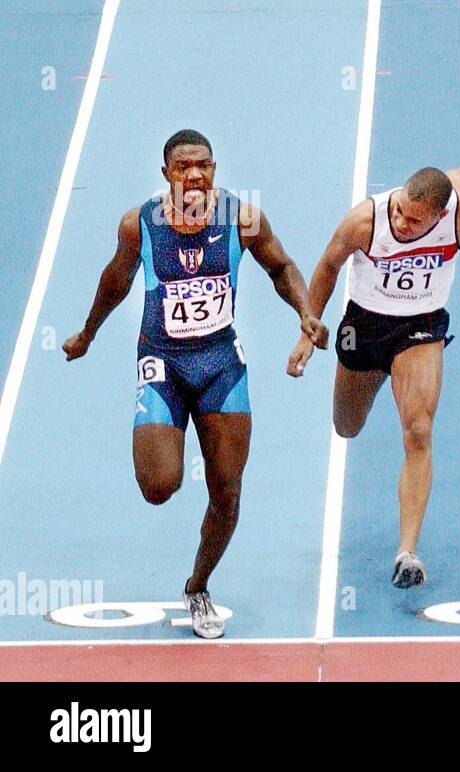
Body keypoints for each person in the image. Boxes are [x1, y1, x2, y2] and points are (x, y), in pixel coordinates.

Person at [62, 129, 327, 637]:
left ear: (214, 169)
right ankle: (173, 432)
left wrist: (305, 313)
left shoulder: (242, 219)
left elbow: (281, 266)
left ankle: (198, 586)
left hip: (220, 365)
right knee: (159, 486)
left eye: (204, 164)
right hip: (162, 362)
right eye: (183, 166)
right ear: (167, 175)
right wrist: (88, 333)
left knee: (226, 491)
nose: (195, 174)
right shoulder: (140, 225)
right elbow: (115, 279)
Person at [288, 152, 460, 587]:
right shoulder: (366, 220)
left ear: (440, 214)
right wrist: (308, 330)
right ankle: (378, 377)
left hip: (421, 325)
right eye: (399, 211)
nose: (401, 224)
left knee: (418, 429)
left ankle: (407, 552)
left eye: (415, 221)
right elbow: (327, 265)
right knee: (346, 426)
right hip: (364, 326)